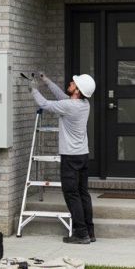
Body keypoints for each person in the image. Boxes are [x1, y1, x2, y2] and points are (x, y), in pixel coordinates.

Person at [30, 73, 97, 244]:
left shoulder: (69, 106)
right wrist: (47, 81)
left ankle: (81, 234)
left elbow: (44, 104)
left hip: (71, 157)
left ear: (77, 90)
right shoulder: (83, 103)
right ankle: (89, 231)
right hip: (82, 155)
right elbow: (62, 97)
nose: (70, 83)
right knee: (83, 193)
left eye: (73, 83)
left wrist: (33, 88)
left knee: (71, 194)